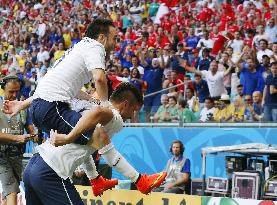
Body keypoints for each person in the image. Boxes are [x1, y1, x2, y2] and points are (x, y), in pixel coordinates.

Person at [23, 83, 167, 204]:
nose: (133, 115)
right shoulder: (114, 117)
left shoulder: (87, 108)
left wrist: (94, 177)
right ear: (125, 104)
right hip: (50, 172)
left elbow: (86, 149)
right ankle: (141, 180)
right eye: (134, 110)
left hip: (32, 167)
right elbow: (110, 154)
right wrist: (138, 179)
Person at [3, 19, 114, 145]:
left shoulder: (77, 48)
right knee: (100, 136)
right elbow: (99, 78)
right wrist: (106, 106)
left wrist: (22, 104)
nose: (115, 43)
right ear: (102, 38)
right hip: (52, 108)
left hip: (39, 108)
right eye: (114, 38)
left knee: (78, 144)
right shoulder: (96, 46)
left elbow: (60, 88)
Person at [0, 75, 36, 205]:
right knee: (12, 193)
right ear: (3, 88)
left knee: (8, 194)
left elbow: (31, 129)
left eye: (17, 91)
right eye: (11, 91)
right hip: (1, 156)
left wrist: (35, 136)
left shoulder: (22, 107)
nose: (15, 95)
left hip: (17, 156)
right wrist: (16, 138)